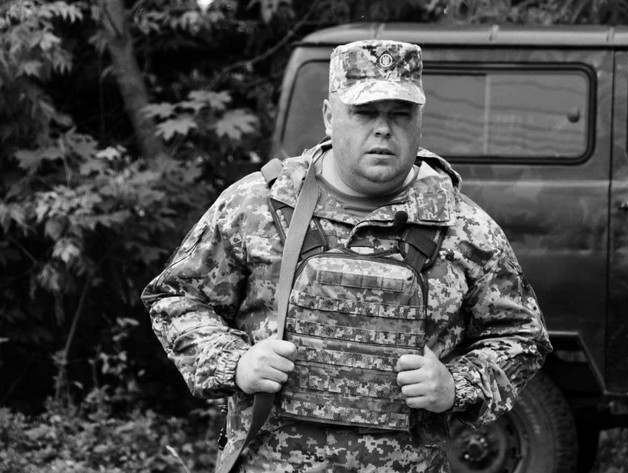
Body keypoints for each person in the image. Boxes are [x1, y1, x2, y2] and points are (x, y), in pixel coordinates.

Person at [142, 39, 552, 473]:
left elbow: (522, 336)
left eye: (400, 114)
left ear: (419, 120)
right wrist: (235, 362)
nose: (383, 129)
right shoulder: (255, 206)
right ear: (328, 115)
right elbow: (176, 298)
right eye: (364, 112)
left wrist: (457, 385)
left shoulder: (465, 228)